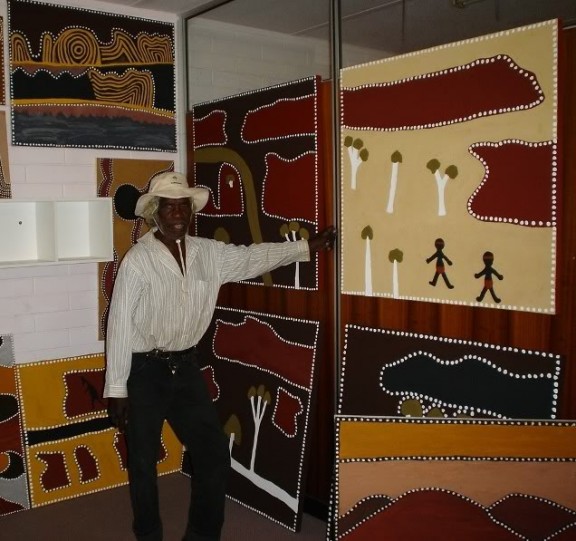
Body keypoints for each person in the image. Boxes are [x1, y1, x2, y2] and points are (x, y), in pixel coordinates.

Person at [103, 171, 336, 541]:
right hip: (144, 370)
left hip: (185, 367)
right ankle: (148, 535)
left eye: (183, 206)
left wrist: (307, 248)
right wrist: (117, 388)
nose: (177, 213)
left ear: (190, 211)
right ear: (155, 213)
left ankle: (202, 535)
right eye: (169, 206)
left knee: (213, 455)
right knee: (143, 462)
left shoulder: (208, 254)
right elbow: (118, 323)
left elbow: (252, 258)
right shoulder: (138, 261)